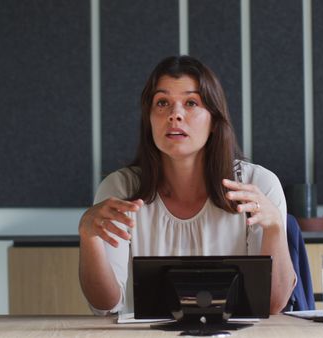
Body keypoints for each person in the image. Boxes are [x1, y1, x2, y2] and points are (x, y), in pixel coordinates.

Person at [78, 55, 296, 315]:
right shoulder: (119, 190)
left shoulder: (258, 185)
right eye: (162, 103)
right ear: (149, 120)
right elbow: (106, 305)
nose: (175, 115)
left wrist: (274, 229)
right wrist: (87, 236)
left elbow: (271, 305)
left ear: (214, 120)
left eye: (191, 103)